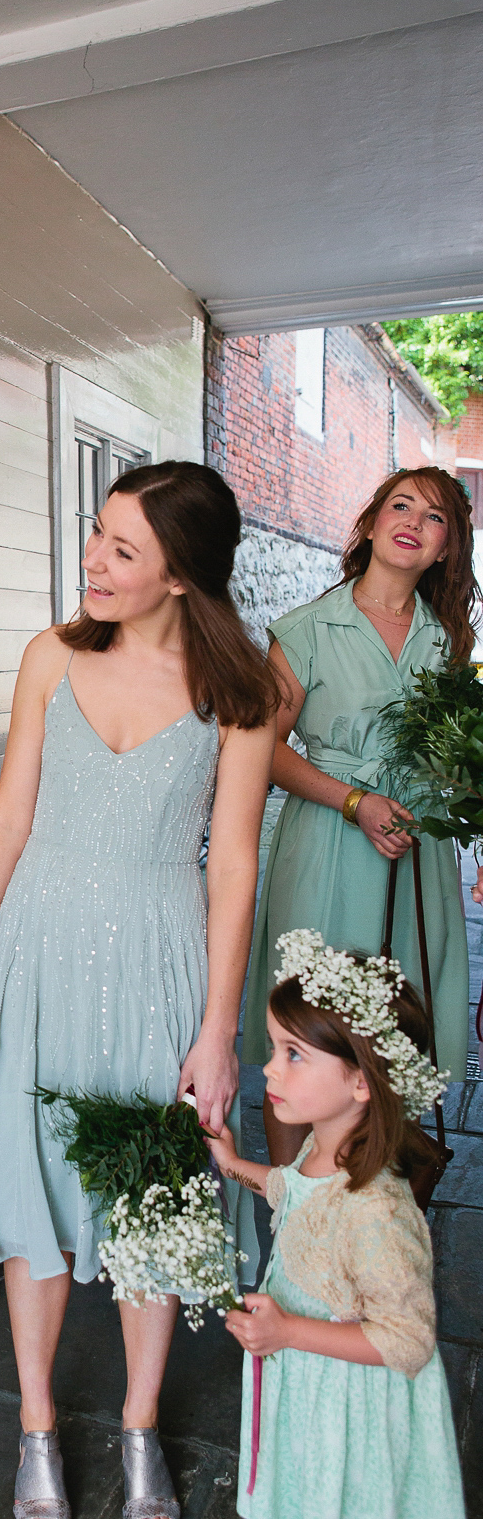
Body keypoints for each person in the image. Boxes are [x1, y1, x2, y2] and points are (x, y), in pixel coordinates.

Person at [0, 461, 277, 1519]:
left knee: (155, 1203)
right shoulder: (51, 655)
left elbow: (232, 865)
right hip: (37, 951)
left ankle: (140, 1427)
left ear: (182, 575)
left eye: (124, 549)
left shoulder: (244, 690)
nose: (94, 560)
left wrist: (219, 1032)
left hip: (161, 958)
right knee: (31, 1182)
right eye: (96, 536)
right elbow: (5, 824)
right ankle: (37, 1424)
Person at [209, 931, 476, 1519]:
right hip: (314, 1404)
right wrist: (235, 1165)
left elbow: (408, 1338)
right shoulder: (323, 1146)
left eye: (294, 1054)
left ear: (364, 1081)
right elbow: (298, 1190)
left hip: (354, 1417)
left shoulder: (379, 1212)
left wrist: (288, 1329)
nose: (270, 1068)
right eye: (272, 1047)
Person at [244, 467, 478, 1164]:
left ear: (445, 549)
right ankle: (295, 1216)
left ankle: (373, 1211)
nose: (413, 521)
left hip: (417, 855)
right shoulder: (308, 629)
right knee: (305, 1028)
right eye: (400, 505)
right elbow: (263, 753)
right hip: (328, 843)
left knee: (397, 1029)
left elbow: (460, 755)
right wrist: (354, 801)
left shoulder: (449, 643)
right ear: (372, 523)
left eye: (434, 517)